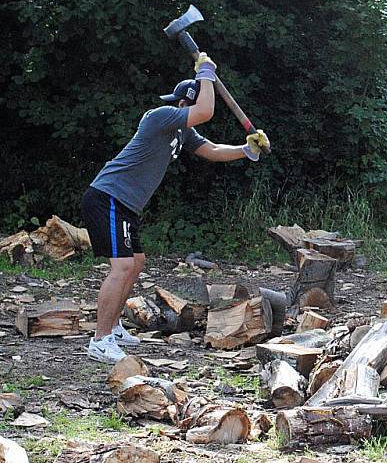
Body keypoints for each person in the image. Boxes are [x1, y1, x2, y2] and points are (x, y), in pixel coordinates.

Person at [81, 53, 269, 363]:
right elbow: (206, 110)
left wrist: (246, 150)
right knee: (123, 267)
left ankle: (112, 328)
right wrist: (207, 72)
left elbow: (213, 151)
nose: (179, 107)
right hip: (108, 197)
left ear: (184, 102)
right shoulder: (160, 116)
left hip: (124, 205)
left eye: (181, 102)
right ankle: (100, 340)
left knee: (136, 262)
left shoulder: (183, 132)